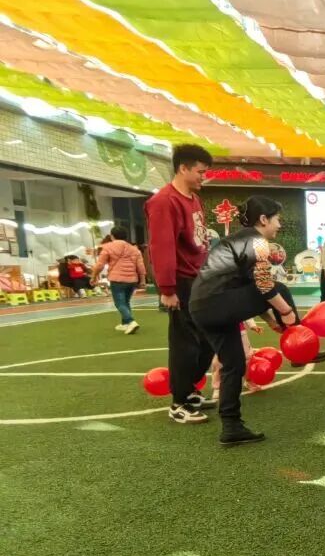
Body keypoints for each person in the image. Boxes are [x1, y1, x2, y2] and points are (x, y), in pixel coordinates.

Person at [189, 196, 302, 446]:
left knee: (233, 365)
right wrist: (286, 315)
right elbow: (264, 284)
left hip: (202, 308)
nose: (279, 225)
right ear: (263, 219)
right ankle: (301, 347)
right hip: (218, 304)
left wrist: (270, 319)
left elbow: (249, 287)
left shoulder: (238, 240)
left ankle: (231, 427)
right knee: (280, 288)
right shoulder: (257, 241)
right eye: (277, 219)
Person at [145, 143, 216, 425]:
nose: (203, 177)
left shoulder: (193, 199)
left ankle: (189, 390)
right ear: (183, 168)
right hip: (181, 282)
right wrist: (167, 289)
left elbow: (200, 242)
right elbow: (161, 247)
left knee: (207, 339)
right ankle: (179, 403)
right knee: (185, 344)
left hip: (200, 279)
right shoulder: (164, 202)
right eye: (200, 172)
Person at [92, 225, 146, 334]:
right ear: (126, 236)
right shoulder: (134, 249)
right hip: (132, 279)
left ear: (112, 236)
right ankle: (125, 324)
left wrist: (94, 276)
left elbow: (100, 265)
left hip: (117, 279)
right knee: (126, 302)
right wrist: (143, 280)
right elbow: (141, 266)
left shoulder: (108, 247)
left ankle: (130, 321)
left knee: (119, 303)